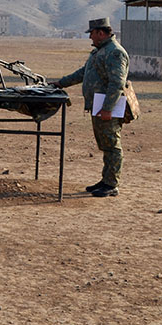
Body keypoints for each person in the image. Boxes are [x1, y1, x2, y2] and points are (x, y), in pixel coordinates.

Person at [51, 17, 129, 197]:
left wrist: (108, 108)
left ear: (101, 33)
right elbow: (83, 73)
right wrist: (61, 83)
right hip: (98, 105)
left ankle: (112, 184)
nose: (90, 37)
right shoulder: (100, 51)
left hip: (107, 107)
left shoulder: (115, 52)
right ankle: (106, 180)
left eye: (92, 33)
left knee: (112, 145)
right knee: (105, 144)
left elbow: (117, 83)